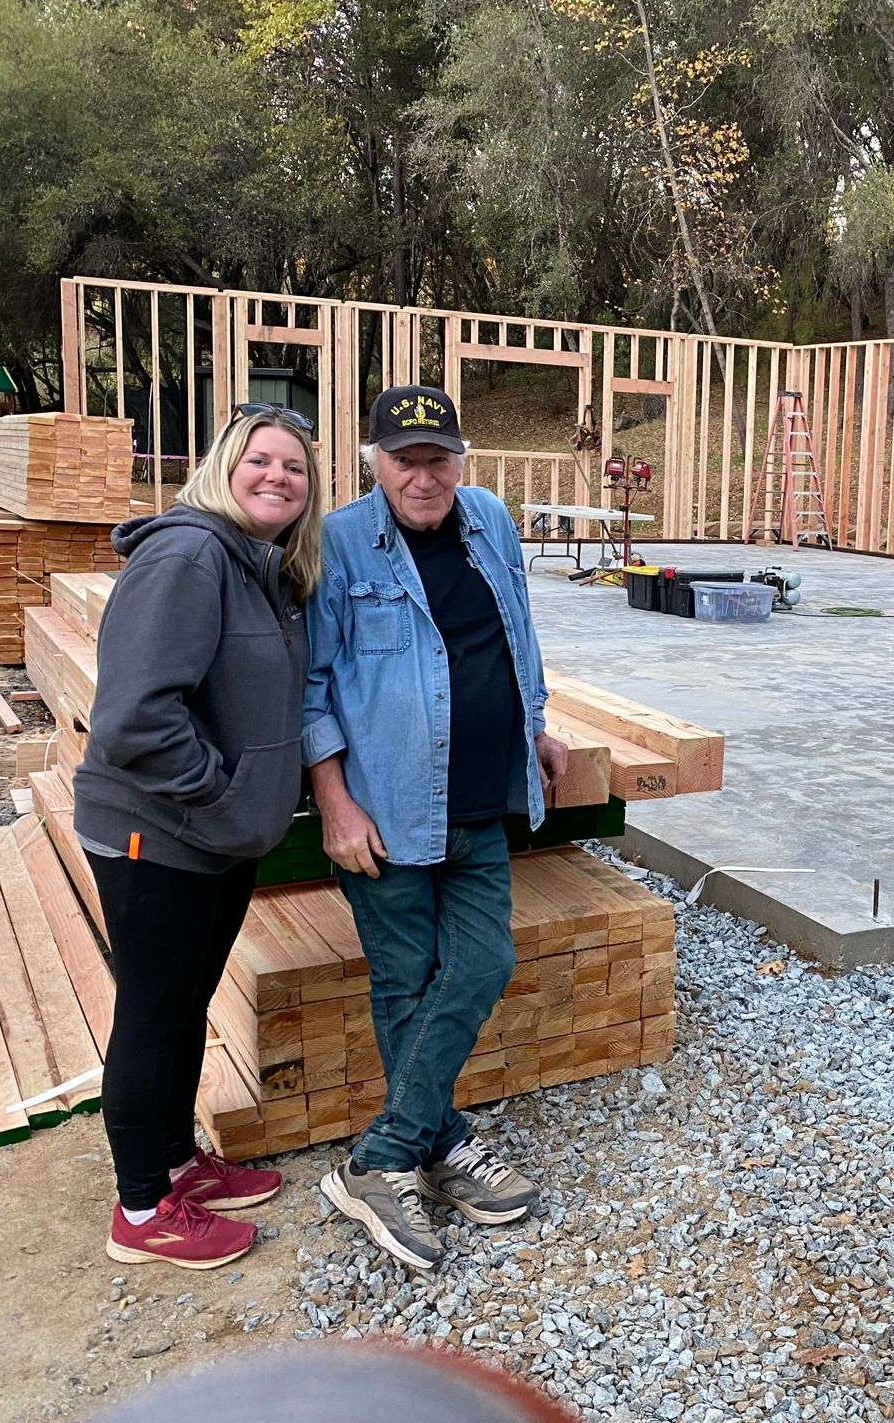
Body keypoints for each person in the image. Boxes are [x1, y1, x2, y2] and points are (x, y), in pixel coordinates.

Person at [304, 385, 568, 1270]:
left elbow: (515, 635)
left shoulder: (489, 518)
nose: (424, 476)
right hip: (385, 806)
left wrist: (534, 725)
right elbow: (312, 687)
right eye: (405, 459)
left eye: (438, 458)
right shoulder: (340, 541)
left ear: (462, 458)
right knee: (406, 978)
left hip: (484, 792)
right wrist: (334, 804)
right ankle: (432, 1144)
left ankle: (389, 1153)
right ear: (374, 461)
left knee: (486, 958)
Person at [74, 403, 322, 1270]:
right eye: (261, 460)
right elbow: (134, 719)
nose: (277, 477)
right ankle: (141, 1210)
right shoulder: (187, 556)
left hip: (215, 838)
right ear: (224, 467)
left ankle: (177, 1162)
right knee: (150, 1012)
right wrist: (220, 797)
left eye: (294, 467)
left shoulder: (263, 568)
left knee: (183, 1003)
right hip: (161, 832)